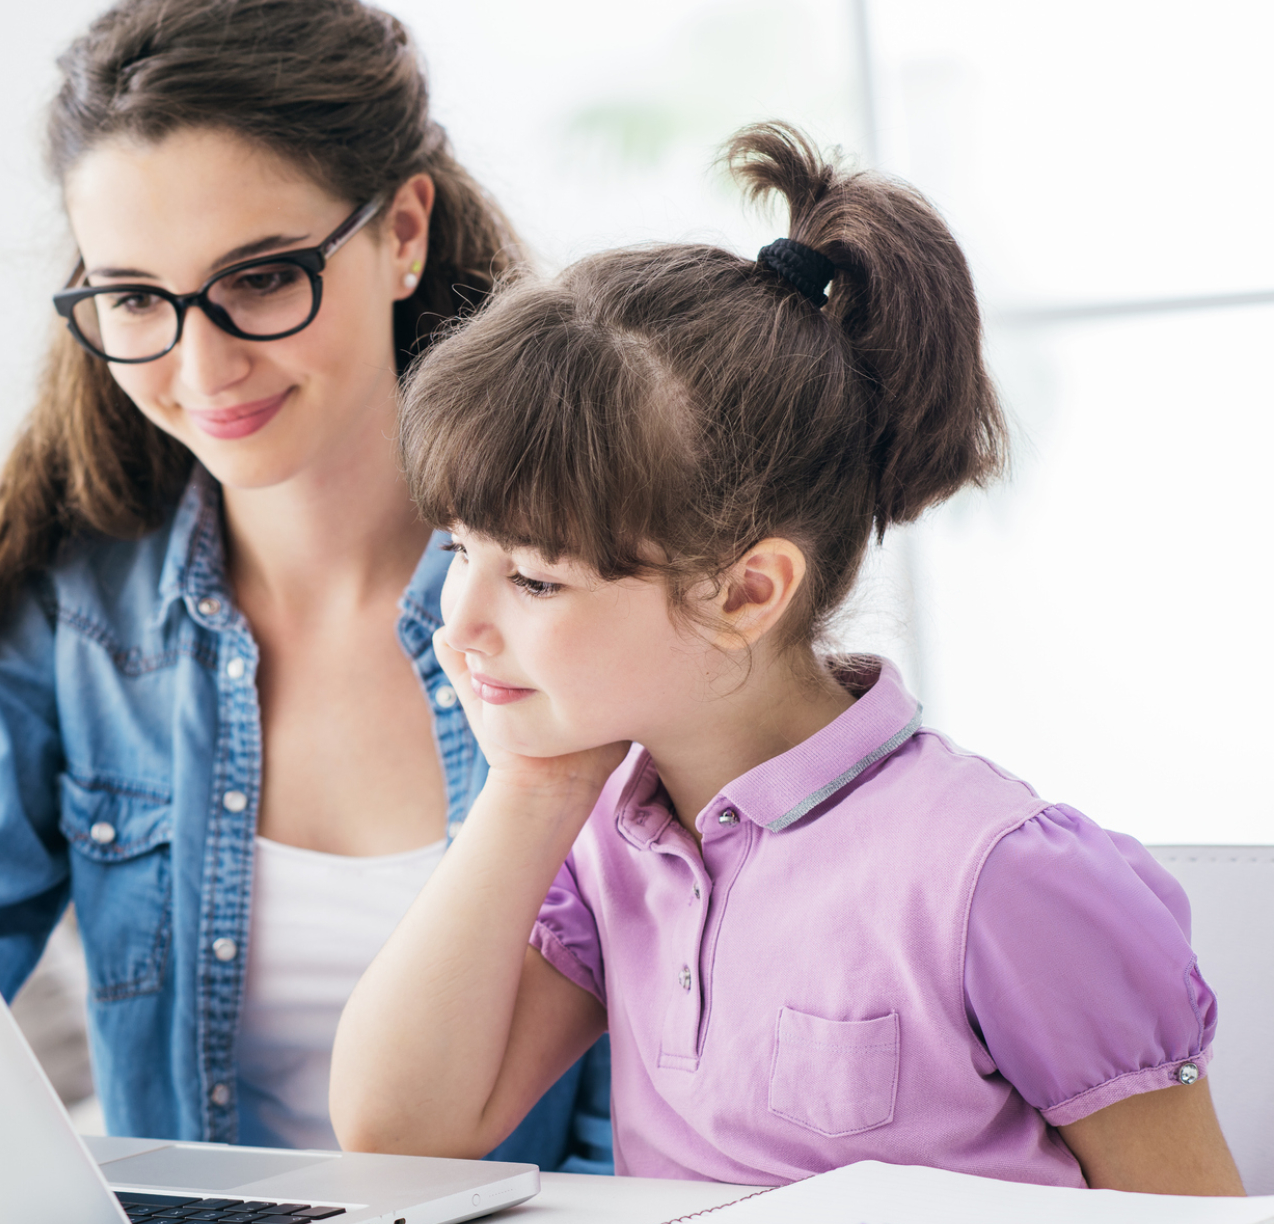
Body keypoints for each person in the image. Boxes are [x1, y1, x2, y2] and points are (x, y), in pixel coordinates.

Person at [329, 122, 1247, 1194]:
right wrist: (532, 783)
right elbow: (395, 1128)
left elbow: (1193, 1211)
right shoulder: (606, 839)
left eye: (533, 579)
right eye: (456, 549)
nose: (457, 620)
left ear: (745, 593)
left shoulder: (998, 876)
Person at [0, 0, 611, 1167]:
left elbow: (671, 1097)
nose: (201, 367)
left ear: (402, 230)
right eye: (135, 298)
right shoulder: (82, 619)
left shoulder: (600, 592)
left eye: (261, 278)